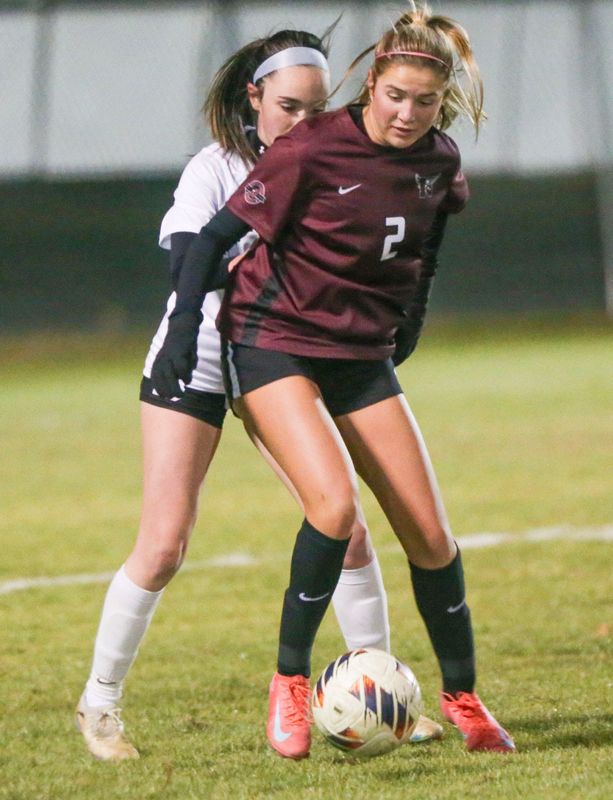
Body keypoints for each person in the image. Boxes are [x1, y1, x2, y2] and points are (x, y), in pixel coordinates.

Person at [151, 1, 517, 760]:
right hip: (272, 342)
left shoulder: (437, 163)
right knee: (333, 505)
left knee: (430, 536)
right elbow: (218, 235)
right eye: (394, 96)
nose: (406, 113)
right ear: (372, 81)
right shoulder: (314, 145)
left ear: (439, 101)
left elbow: (424, 249)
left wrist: (408, 320)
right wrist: (185, 325)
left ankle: (463, 698)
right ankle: (288, 685)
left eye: (423, 101)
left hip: (358, 355)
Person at [76, 27, 441, 762]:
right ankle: (99, 706)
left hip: (276, 357)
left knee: (344, 524)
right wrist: (186, 319)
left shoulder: (337, 163)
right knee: (164, 544)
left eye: (315, 109)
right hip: (204, 355)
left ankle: (383, 692)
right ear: (253, 99)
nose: (301, 122)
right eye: (286, 106)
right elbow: (189, 255)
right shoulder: (217, 169)